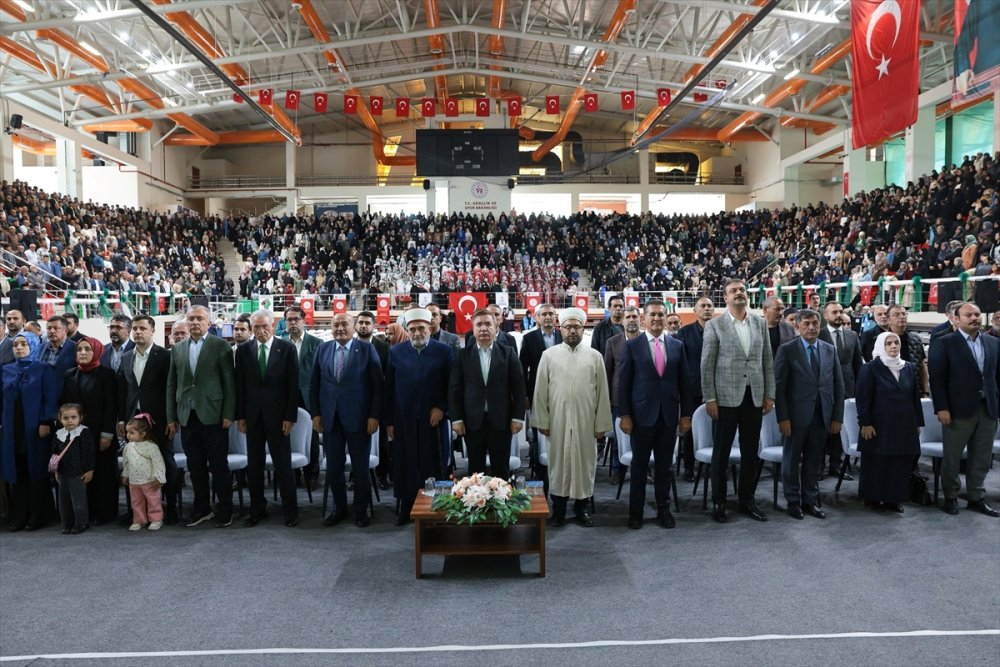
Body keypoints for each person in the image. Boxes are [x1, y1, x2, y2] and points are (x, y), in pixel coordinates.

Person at [701, 279, 774, 524]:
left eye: (742, 290)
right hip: (724, 399)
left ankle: (747, 500)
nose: (739, 293)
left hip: (754, 397)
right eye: (733, 291)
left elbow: (767, 361)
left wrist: (769, 394)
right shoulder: (714, 325)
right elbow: (707, 365)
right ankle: (719, 501)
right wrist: (710, 397)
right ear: (725, 297)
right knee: (721, 454)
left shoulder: (760, 323)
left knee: (750, 453)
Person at [532, 307, 612, 527]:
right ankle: (558, 510)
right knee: (558, 465)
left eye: (577, 327)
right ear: (561, 329)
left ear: (583, 329)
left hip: (586, 422)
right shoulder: (549, 355)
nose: (573, 331)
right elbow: (540, 391)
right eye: (568, 327)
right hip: (557, 422)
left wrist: (601, 424)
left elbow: (602, 393)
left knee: (585, 465)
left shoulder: (595, 356)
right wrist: (542, 421)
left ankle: (581, 509)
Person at [618, 300, 693, 529]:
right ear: (644, 318)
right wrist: (625, 415)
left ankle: (664, 510)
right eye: (653, 315)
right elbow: (624, 384)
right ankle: (636, 512)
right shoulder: (632, 346)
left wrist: (686, 415)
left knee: (664, 467)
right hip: (641, 417)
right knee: (639, 468)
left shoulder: (677, 346)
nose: (657, 319)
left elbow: (685, 383)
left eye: (661, 315)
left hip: (668, 416)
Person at [165, 305, 236, 528]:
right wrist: (171, 417)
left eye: (200, 319)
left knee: (219, 466)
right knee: (195, 467)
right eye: (191, 319)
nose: (195, 322)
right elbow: (172, 384)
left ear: (209, 322)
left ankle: (225, 509)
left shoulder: (221, 346)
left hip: (214, 415)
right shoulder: (178, 349)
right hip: (187, 416)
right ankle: (202, 508)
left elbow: (229, 383)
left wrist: (228, 413)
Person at [928, 302, 1000, 517]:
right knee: (953, 457)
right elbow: (937, 379)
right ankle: (950, 496)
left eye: (977, 314)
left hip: (987, 409)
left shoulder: (993, 343)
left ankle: (976, 497)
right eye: (968, 315)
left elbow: (996, 377)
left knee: (982, 457)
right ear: (956, 319)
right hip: (957, 410)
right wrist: (941, 407)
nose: (974, 318)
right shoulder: (944, 343)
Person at [774, 309, 844, 520]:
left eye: (815, 323)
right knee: (791, 461)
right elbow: (779, 388)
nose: (812, 327)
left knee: (814, 461)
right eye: (806, 324)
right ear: (797, 326)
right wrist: (783, 418)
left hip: (821, 416)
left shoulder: (829, 349)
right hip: (795, 418)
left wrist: (837, 417)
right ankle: (793, 501)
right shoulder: (787, 350)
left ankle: (810, 501)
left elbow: (838, 385)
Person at [385, 308, 451, 525]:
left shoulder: (444, 351)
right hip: (403, 420)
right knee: (405, 463)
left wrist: (441, 408)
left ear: (429, 328)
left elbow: (451, 385)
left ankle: (436, 508)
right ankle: (407, 507)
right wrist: (390, 421)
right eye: (412, 329)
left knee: (433, 463)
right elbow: (389, 389)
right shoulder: (396, 352)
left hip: (433, 420)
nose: (416, 333)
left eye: (421, 328)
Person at [236, 310, 300, 528]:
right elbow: (240, 385)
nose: (261, 331)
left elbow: (293, 386)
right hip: (252, 417)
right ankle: (257, 509)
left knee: (283, 466)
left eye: (265, 326)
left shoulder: (287, 348)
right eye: (256, 327)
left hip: (279, 418)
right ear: (251, 328)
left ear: (273, 326)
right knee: (254, 466)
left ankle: (290, 511)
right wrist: (241, 416)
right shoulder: (243, 350)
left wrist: (290, 417)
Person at [449, 308, 526, 480]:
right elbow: (455, 389)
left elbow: (519, 388)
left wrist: (518, 417)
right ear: (473, 328)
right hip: (472, 422)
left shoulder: (508, 353)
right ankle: (476, 498)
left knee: (501, 469)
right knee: (475, 472)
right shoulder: (462, 355)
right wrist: (457, 419)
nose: (483, 328)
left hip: (501, 421)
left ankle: (502, 497)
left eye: (487, 324)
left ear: (496, 326)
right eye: (479, 325)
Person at [117, 315, 177, 524]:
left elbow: (171, 389)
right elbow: (123, 390)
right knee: (133, 463)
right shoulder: (126, 357)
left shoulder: (165, 356)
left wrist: (172, 418)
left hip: (160, 419)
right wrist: (122, 420)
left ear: (152, 331)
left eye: (143, 328)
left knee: (166, 462)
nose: (138, 332)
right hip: (134, 420)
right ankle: (137, 512)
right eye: (135, 328)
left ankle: (171, 508)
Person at [855, 332, 924, 513]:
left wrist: (917, 422)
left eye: (896, 343)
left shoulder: (908, 367)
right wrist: (865, 423)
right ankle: (873, 498)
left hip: (904, 424)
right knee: (878, 463)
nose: (893, 346)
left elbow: (915, 397)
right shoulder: (870, 368)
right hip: (878, 425)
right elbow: (863, 398)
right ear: (881, 346)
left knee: (900, 463)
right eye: (889, 343)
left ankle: (893, 499)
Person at [0, 332, 59, 531]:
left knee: (36, 470)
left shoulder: (44, 368)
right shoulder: (6, 369)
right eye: (15, 345)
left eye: (23, 344)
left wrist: (45, 420)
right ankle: (19, 516)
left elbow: (50, 397)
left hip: (36, 428)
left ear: (33, 345)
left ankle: (39, 515)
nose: (18, 348)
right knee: (17, 471)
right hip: (12, 429)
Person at [60, 336, 119, 526]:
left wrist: (107, 433)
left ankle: (105, 513)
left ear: (97, 351)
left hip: (101, 432)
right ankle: (86, 513)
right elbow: (65, 404)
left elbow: (111, 406)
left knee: (103, 473)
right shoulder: (70, 374)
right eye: (79, 350)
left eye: (87, 349)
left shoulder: (107, 375)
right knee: (83, 473)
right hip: (77, 434)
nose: (82, 353)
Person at [818, 301, 862, 478]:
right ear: (825, 316)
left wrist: (858, 390)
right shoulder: (818, 334)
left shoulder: (852, 335)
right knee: (822, 430)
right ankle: (819, 466)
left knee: (840, 429)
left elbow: (857, 364)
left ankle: (836, 465)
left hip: (847, 388)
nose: (838, 315)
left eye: (840, 311)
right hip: (824, 389)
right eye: (834, 312)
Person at [280, 306, 321, 484]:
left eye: (296, 319)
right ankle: (293, 475)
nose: (293, 323)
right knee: (287, 435)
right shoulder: (279, 343)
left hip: (308, 396)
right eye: (289, 320)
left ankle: (312, 474)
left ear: (304, 321)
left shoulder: (316, 343)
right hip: (286, 397)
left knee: (311, 437)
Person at [519, 303, 561, 477]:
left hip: (561, 392)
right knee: (539, 433)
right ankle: (539, 470)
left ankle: (559, 466)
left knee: (559, 429)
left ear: (555, 316)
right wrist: (525, 395)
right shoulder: (529, 338)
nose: (548, 317)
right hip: (537, 392)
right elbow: (522, 369)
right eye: (544, 314)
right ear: (537, 318)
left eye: (551, 313)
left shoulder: (563, 335)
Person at [676, 296, 714, 482]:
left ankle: (714, 467)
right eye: (703, 306)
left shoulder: (720, 330)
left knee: (716, 430)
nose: (707, 309)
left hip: (716, 390)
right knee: (690, 431)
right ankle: (689, 468)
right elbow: (679, 362)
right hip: (691, 389)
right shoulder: (684, 332)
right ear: (695, 311)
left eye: (709, 306)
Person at [602, 304, 642, 483]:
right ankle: (618, 471)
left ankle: (643, 470)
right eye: (628, 317)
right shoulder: (613, 342)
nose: (631, 320)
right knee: (620, 438)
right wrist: (607, 399)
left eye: (634, 317)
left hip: (642, 397)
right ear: (622, 321)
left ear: (640, 319)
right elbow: (607, 371)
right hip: (618, 398)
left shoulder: (647, 340)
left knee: (642, 436)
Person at [355, 310, 391, 489]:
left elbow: (387, 378)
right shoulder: (349, 345)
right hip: (355, 404)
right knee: (355, 441)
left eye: (367, 323)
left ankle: (382, 475)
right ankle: (356, 477)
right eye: (360, 322)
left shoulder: (383, 347)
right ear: (355, 325)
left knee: (381, 442)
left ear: (374, 326)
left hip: (378, 402)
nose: (363, 326)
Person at [53, 403, 95, 535]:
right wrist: (56, 470)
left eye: (73, 417)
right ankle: (67, 523)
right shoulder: (59, 434)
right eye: (66, 418)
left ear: (80, 418)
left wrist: (89, 470)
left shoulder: (84, 432)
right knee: (64, 501)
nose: (70, 420)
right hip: (63, 472)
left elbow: (89, 453)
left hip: (78, 473)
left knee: (79, 500)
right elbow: (56, 454)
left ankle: (81, 523)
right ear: (60, 419)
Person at [120, 415, 166, 531]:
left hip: (149, 480)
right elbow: (127, 462)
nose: (128, 435)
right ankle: (139, 520)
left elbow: (158, 463)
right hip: (134, 481)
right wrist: (125, 475)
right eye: (127, 432)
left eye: (132, 433)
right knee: (136, 502)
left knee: (153, 501)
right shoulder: (128, 447)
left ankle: (156, 519)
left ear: (143, 434)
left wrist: (159, 478)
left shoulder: (152, 447)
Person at [41, 315, 77, 389]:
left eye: (56, 328)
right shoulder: (41, 347)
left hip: (65, 391)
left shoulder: (75, 348)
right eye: (49, 328)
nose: (52, 331)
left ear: (65, 331)